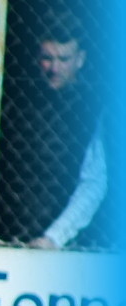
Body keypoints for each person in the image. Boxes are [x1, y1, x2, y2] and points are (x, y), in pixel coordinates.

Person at [8, 17, 109, 250]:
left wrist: (56, 236)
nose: (54, 68)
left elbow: (94, 180)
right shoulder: (16, 105)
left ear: (80, 59)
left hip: (74, 237)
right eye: (47, 58)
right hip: (16, 228)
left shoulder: (95, 109)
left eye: (63, 59)